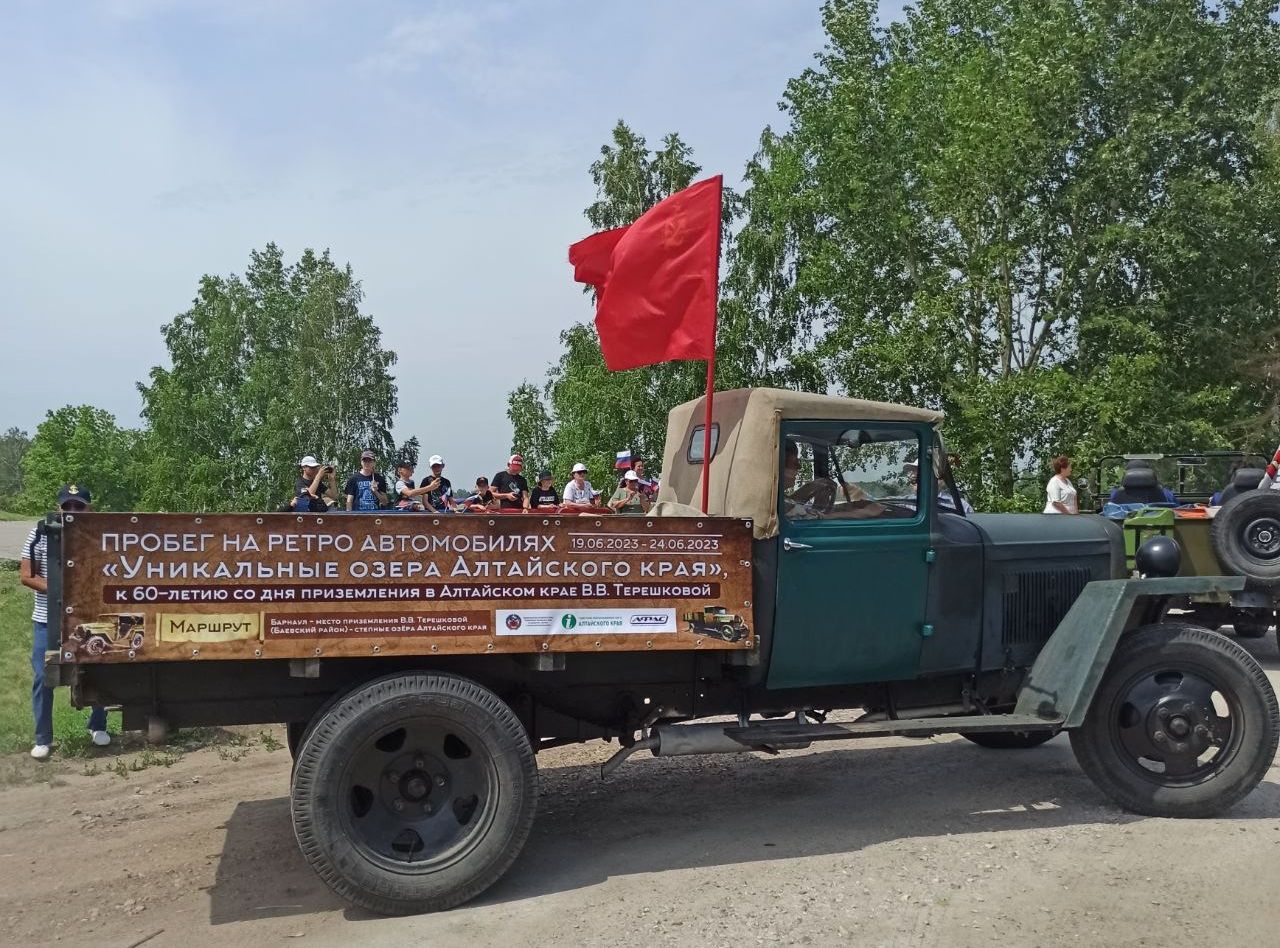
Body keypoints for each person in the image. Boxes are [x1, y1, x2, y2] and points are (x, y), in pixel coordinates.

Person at [22, 485, 110, 759]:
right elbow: (26, 575)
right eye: (67, 505)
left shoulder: (97, 537)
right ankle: (43, 738)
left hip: (86, 618)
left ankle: (97, 726)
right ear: (59, 507)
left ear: (89, 508)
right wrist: (58, 589)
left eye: (79, 506)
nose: (72, 511)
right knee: (42, 676)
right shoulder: (39, 532)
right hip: (46, 619)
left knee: (97, 669)